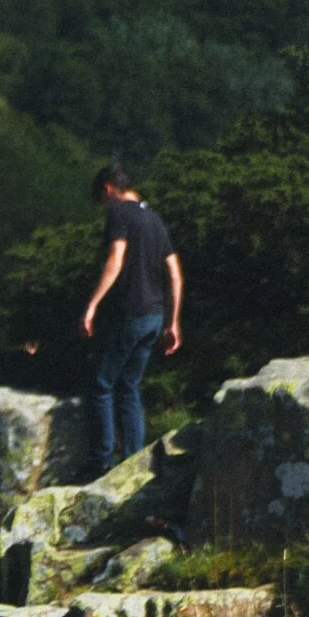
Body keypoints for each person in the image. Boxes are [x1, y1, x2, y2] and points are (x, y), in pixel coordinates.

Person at [78, 163, 183, 477]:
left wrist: (92, 306)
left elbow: (115, 259)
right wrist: (172, 322)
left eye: (101, 199)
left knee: (100, 384)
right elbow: (175, 275)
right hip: (154, 317)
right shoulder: (154, 219)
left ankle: (102, 463)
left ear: (108, 190)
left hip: (129, 313)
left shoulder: (119, 214)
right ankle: (134, 460)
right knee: (129, 386)